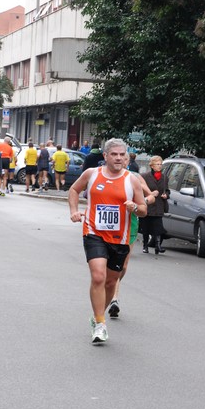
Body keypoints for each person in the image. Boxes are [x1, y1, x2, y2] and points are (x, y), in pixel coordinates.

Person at [69, 138, 147, 345]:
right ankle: (101, 324)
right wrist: (74, 211)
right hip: (94, 231)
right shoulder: (92, 174)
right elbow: (74, 190)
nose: (119, 158)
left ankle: (96, 316)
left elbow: (143, 209)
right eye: (114, 154)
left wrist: (134, 208)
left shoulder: (132, 180)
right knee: (98, 276)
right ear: (105, 156)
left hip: (120, 237)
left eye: (122, 154)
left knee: (112, 281)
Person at [108, 153, 158, 319]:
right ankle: (112, 295)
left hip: (130, 224)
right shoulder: (103, 174)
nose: (120, 159)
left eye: (124, 157)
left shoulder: (134, 177)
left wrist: (139, 203)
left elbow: (151, 196)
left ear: (128, 161)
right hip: (107, 225)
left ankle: (113, 292)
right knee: (107, 261)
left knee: (122, 264)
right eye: (116, 155)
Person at [140, 155, 170, 255]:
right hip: (148, 205)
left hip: (159, 205)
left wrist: (166, 195)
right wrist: (150, 194)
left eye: (161, 164)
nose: (160, 166)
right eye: (158, 164)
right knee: (146, 227)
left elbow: (167, 190)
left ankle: (158, 246)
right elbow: (140, 190)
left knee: (158, 227)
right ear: (152, 165)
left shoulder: (165, 177)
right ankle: (145, 246)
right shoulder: (144, 176)